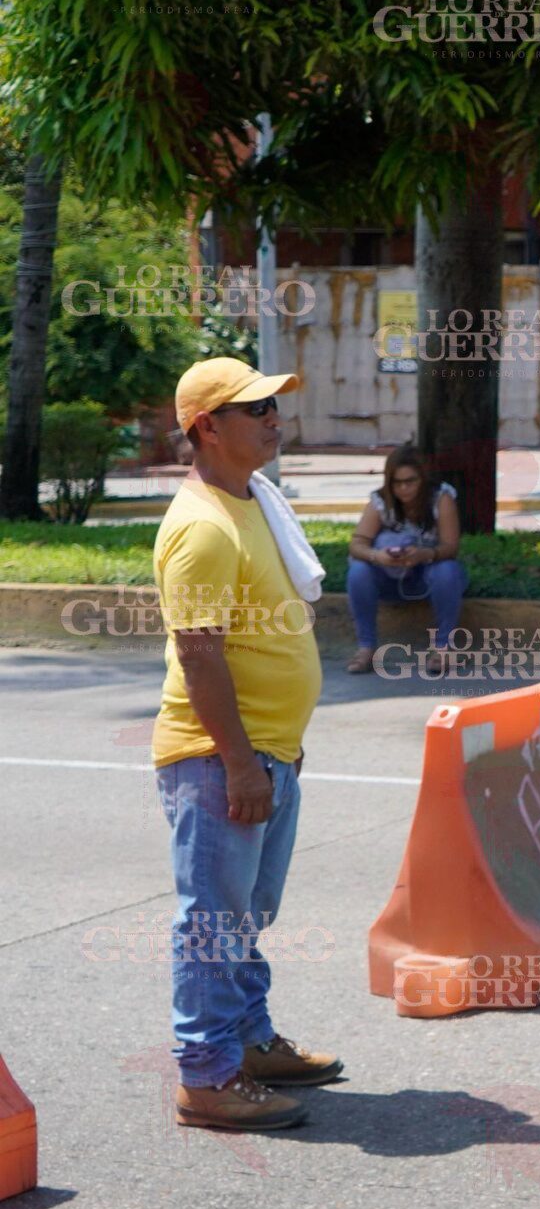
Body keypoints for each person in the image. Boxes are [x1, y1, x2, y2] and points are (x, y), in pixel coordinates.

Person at [152, 358, 339, 1132]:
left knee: (245, 915)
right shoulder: (201, 528)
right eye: (253, 406)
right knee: (214, 921)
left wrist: (279, 750)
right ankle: (206, 1075)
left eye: (274, 404)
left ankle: (251, 1041)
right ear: (206, 427)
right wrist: (237, 761)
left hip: (267, 751)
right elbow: (199, 654)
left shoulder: (250, 501)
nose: (272, 417)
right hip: (217, 758)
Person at [345, 443, 466, 674]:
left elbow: (451, 547)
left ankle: (443, 648)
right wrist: (377, 556)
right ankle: (366, 648)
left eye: (410, 481)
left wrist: (425, 554)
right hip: (389, 575)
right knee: (358, 571)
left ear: (423, 478)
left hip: (426, 574)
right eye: (396, 483)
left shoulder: (441, 497)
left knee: (447, 570)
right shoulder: (380, 502)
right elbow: (357, 545)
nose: (403, 489)